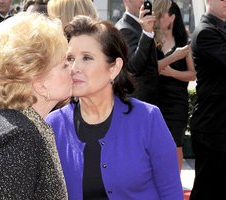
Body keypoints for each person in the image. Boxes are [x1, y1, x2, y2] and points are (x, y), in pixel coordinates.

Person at [46, 15, 183, 200]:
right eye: (70, 58)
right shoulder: (53, 126)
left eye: (87, 57)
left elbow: (171, 193)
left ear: (114, 68)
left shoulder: (147, 119)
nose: (74, 67)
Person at [0, 13, 72, 199]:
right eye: (64, 64)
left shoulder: (12, 119)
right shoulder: (18, 136)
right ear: (40, 83)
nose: (73, 68)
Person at [189, 0, 226, 199]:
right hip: (212, 126)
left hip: (225, 123)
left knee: (220, 187)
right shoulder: (205, 32)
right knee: (206, 188)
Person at [153, 0, 196, 172]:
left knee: (175, 146)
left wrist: (172, 73)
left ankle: (175, 186)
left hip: (176, 104)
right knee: (154, 146)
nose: (156, 18)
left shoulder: (184, 44)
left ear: (172, 18)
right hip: (155, 100)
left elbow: (193, 75)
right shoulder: (151, 40)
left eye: (161, 15)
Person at [115, 0, 159, 105]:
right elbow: (134, 67)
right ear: (126, 1)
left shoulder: (141, 25)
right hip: (137, 101)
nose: (143, 1)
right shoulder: (124, 28)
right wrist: (147, 33)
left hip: (147, 100)